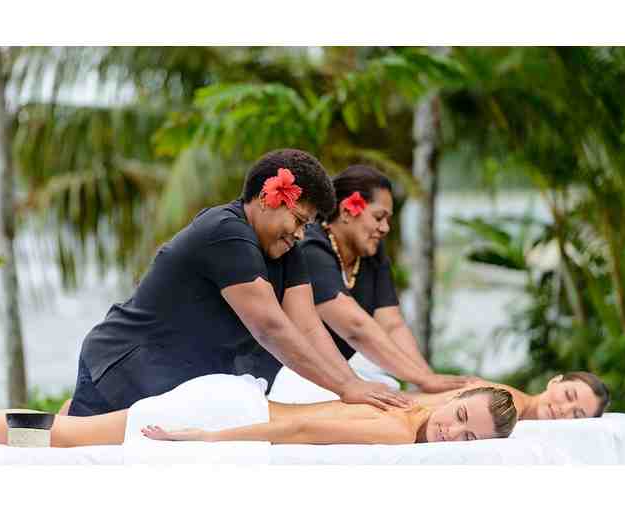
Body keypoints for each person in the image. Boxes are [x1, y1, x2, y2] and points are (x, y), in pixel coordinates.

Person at [67, 149, 410, 417]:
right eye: (298, 220)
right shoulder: (225, 231)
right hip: (124, 370)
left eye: (307, 225)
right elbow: (270, 327)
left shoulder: (288, 250)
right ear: (266, 198)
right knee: (75, 455)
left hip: (172, 388)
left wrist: (353, 384)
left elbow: (307, 327)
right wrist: (345, 387)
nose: (300, 233)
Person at [239, 164, 476, 395]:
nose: (385, 228)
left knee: (394, 391)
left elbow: (392, 324)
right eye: (379, 217)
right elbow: (354, 327)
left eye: (388, 220)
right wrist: (424, 380)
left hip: (336, 376)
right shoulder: (309, 248)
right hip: (287, 376)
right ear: (346, 211)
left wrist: (428, 380)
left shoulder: (372, 254)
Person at [0, 374, 517, 447]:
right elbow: (301, 426)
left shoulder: (403, 402)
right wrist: (206, 438)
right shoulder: (399, 433)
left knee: (74, 427)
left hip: (236, 399)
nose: (453, 434)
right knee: (68, 437)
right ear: (453, 401)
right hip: (227, 414)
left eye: (470, 439)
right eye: (460, 419)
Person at [413, 371, 611, 420]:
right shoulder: (507, 404)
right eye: (568, 395)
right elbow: (415, 406)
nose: (564, 409)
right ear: (554, 381)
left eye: (576, 414)